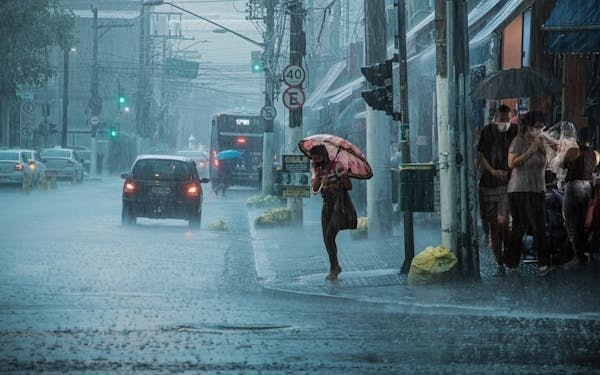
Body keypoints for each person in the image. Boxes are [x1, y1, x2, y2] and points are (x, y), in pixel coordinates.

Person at [506, 110, 552, 276]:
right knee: (520, 227)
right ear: (528, 126)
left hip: (538, 188)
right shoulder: (518, 141)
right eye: (536, 127)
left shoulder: (542, 141)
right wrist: (531, 151)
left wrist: (549, 145)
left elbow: (548, 162)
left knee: (540, 226)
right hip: (520, 189)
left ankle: (544, 264)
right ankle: (512, 262)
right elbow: (512, 163)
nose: (539, 130)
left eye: (542, 127)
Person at [477, 104, 518, 277]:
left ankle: (509, 253)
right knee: (494, 225)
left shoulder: (515, 131)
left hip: (508, 183)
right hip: (489, 183)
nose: (505, 123)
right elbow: (481, 154)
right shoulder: (487, 131)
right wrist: (493, 171)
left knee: (503, 222)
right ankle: (499, 263)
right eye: (502, 120)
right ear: (495, 119)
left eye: (508, 120)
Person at [309, 144, 356, 281]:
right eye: (313, 159)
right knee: (326, 239)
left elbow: (348, 185)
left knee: (330, 236)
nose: (316, 161)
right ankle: (334, 266)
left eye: (318, 158)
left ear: (324, 156)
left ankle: (334, 268)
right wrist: (318, 177)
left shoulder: (337, 166)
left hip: (338, 205)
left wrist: (334, 184)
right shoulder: (317, 169)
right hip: (327, 205)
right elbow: (315, 190)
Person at [561, 127, 599, 269]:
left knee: (572, 221)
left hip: (574, 187)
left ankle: (578, 257)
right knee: (585, 222)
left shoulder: (573, 151)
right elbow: (594, 169)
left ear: (578, 138)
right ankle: (583, 253)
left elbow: (563, 165)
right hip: (588, 188)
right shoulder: (596, 154)